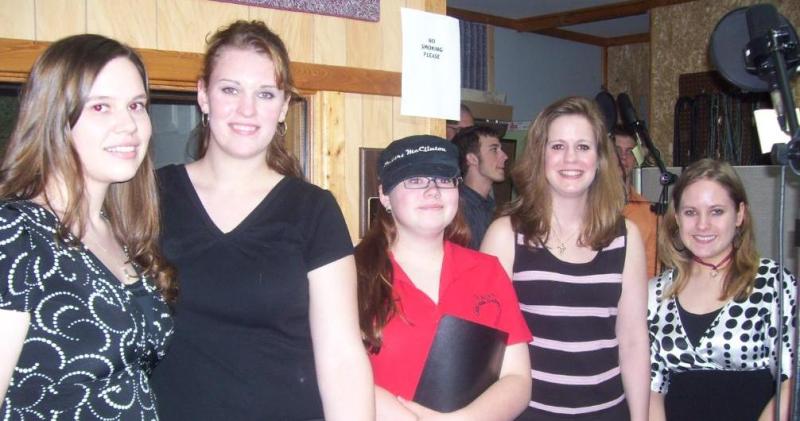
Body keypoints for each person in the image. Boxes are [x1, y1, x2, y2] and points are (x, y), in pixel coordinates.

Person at [149, 21, 372, 420]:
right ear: (203, 95)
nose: (247, 109)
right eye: (230, 89)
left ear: (283, 106)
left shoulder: (314, 210)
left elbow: (342, 358)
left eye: (265, 93)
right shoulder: (150, 196)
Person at [0, 34, 175, 419]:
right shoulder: (14, 234)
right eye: (100, 107)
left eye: (136, 105)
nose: (128, 125)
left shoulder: (121, 233)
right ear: (54, 118)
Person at [481, 96, 650, 420]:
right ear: (540, 155)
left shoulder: (626, 237)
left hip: (608, 413)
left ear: (599, 159)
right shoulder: (505, 236)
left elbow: (633, 340)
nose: (570, 158)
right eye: (558, 146)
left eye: (583, 147)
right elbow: (487, 345)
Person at [356, 135, 532, 420]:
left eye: (444, 179)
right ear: (385, 195)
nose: (433, 190)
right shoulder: (352, 276)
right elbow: (336, 371)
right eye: (415, 180)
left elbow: (518, 379)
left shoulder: (487, 271)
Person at [648, 158, 796, 421]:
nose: (702, 225)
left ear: (739, 214)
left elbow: (790, 382)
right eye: (690, 212)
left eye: (716, 211)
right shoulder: (657, 292)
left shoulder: (772, 283)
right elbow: (652, 390)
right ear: (677, 218)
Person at [612, 124, 659, 278]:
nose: (623, 157)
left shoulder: (649, 212)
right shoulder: (586, 205)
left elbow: (652, 271)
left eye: (629, 152)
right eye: (617, 151)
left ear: (636, 158)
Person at [451, 125, 508, 249]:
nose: (504, 156)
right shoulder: (457, 210)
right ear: (472, 159)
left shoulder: (491, 206)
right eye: (494, 149)